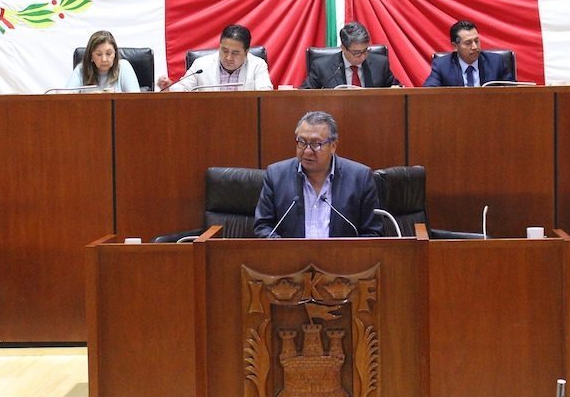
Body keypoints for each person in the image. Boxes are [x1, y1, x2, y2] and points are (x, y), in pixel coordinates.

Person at [254, 111, 382, 238]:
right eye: (302, 142)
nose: (307, 151)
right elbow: (263, 227)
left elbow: (373, 233)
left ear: (333, 146)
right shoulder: (276, 176)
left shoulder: (360, 178)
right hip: (291, 252)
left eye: (316, 144)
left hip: (341, 252)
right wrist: (286, 249)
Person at [157, 24, 273, 92]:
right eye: (224, 51)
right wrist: (169, 88)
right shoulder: (201, 65)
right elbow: (183, 89)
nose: (228, 57)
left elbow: (265, 94)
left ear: (246, 52)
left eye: (235, 53)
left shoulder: (257, 65)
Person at [299, 21, 400, 89]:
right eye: (356, 53)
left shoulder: (380, 64)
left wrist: (396, 89)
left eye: (365, 50)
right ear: (343, 48)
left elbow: (397, 90)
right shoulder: (322, 67)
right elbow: (305, 95)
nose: (363, 56)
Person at [423, 20, 514, 87]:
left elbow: (513, 92)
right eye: (468, 43)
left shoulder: (496, 62)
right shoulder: (442, 66)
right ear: (455, 46)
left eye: (476, 41)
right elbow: (429, 93)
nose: (474, 47)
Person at [65, 30, 140, 92]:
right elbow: (66, 98)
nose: (104, 59)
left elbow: (136, 101)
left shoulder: (124, 67)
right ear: (91, 56)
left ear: (115, 54)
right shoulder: (81, 70)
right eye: (99, 54)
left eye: (109, 54)